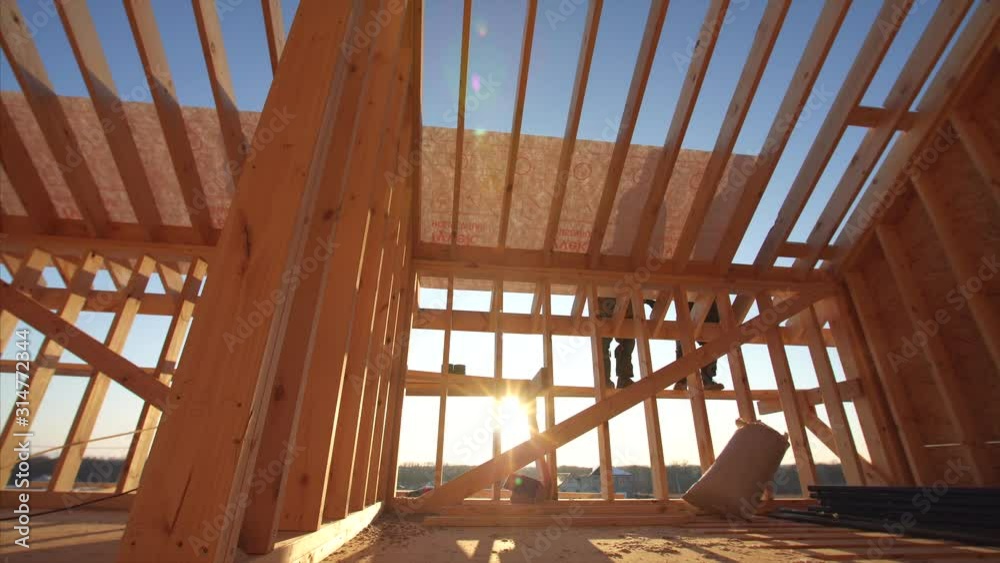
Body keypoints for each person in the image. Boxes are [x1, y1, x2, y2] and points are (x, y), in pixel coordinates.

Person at [674, 300, 724, 391]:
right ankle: (682, 381)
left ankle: (702, 381)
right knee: (684, 340)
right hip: (690, 303)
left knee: (712, 341)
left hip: (705, 306)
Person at [597, 296, 635, 389]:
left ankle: (623, 379)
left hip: (626, 304)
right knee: (602, 345)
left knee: (627, 343)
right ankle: (605, 380)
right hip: (605, 302)